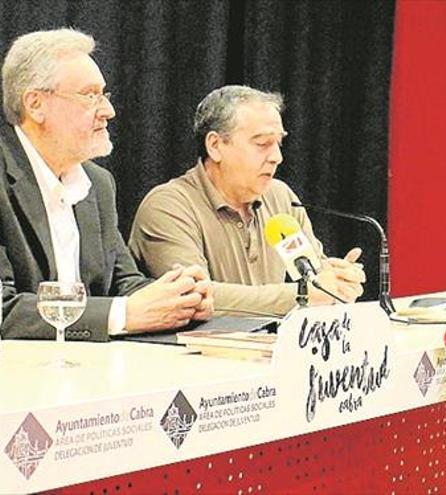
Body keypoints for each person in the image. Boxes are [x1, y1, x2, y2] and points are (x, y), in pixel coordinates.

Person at [0, 28, 213, 341]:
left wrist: (179, 298)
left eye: (104, 95)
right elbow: (4, 311)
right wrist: (123, 314)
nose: (108, 111)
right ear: (35, 104)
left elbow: (123, 284)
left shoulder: (98, 184)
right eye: (90, 95)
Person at [129, 85, 365, 316]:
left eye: (279, 143)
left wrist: (339, 282)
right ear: (215, 146)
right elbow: (195, 297)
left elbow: (315, 278)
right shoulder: (169, 206)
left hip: (269, 350)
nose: (277, 157)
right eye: (262, 144)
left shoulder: (280, 197)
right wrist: (302, 295)